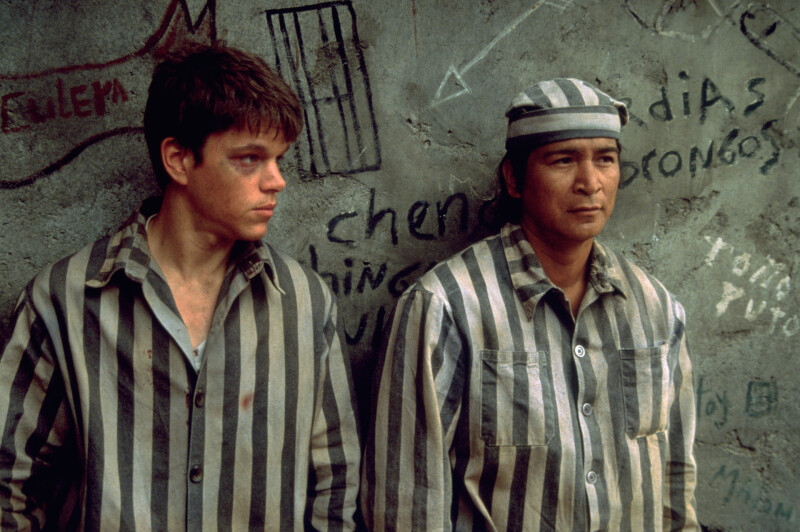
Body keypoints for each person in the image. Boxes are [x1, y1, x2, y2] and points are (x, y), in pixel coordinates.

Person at [0, 43, 361, 530]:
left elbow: (336, 486)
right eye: (250, 159)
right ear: (178, 159)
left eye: (278, 160)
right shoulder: (65, 299)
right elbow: (9, 481)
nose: (276, 181)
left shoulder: (305, 303)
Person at [362, 78, 697, 531]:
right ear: (514, 178)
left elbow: (676, 483)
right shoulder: (446, 306)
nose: (590, 183)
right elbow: (407, 502)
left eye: (605, 159)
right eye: (563, 160)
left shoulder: (655, 309)